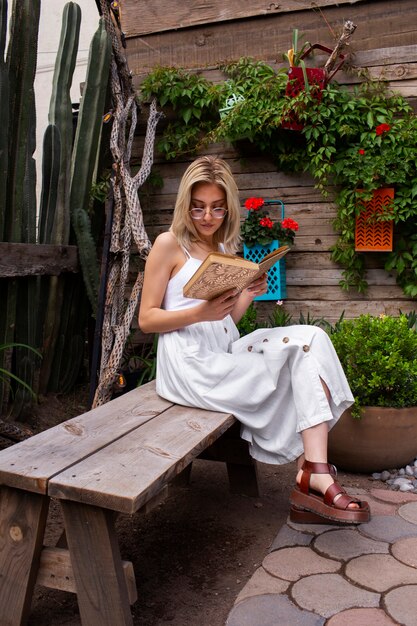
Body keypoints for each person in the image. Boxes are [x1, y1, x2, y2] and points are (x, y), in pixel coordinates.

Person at [139, 155, 370, 525]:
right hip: (189, 365)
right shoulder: (169, 244)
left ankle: (312, 470)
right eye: (198, 209)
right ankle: (314, 479)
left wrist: (246, 293)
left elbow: (225, 321)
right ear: (185, 205)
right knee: (299, 356)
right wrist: (199, 313)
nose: (207, 218)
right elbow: (147, 319)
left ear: (228, 209)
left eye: (216, 209)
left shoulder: (224, 250)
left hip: (222, 351)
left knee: (312, 337)